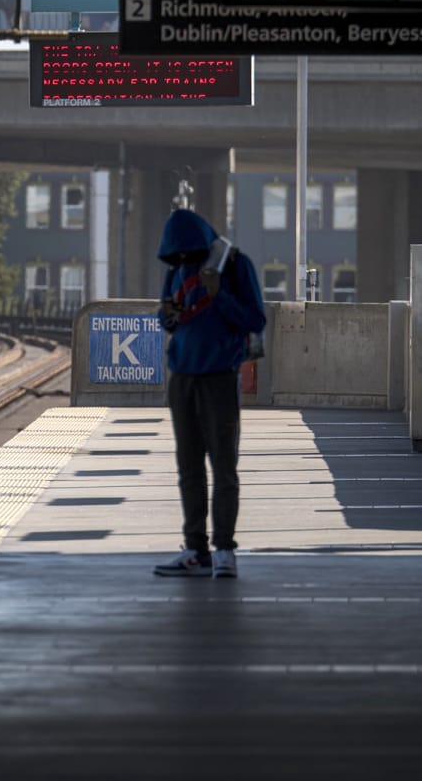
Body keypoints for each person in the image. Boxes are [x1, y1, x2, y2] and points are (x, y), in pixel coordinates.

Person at [152, 208, 266, 579]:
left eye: (187, 252)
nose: (183, 260)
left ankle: (225, 550)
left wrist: (219, 297)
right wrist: (166, 313)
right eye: (177, 255)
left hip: (219, 375)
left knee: (223, 467)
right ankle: (195, 548)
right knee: (188, 467)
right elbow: (168, 317)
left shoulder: (235, 266)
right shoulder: (177, 267)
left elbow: (256, 319)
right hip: (182, 376)